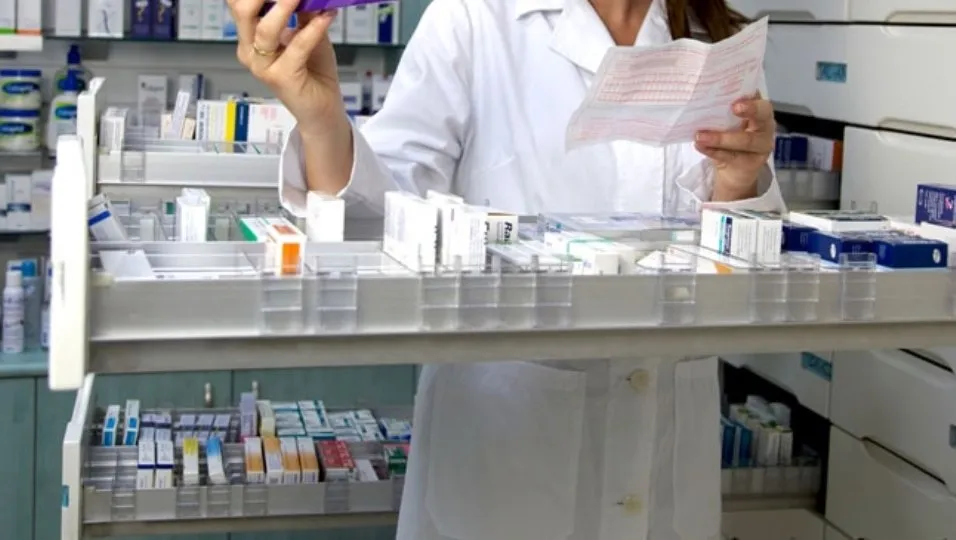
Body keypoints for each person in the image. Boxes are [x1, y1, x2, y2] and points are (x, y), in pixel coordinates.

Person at [228, 0, 785, 538]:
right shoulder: (474, 17)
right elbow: (384, 220)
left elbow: (743, 272)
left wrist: (738, 184)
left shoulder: (720, 39)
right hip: (504, 453)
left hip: (665, 463)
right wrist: (323, 123)